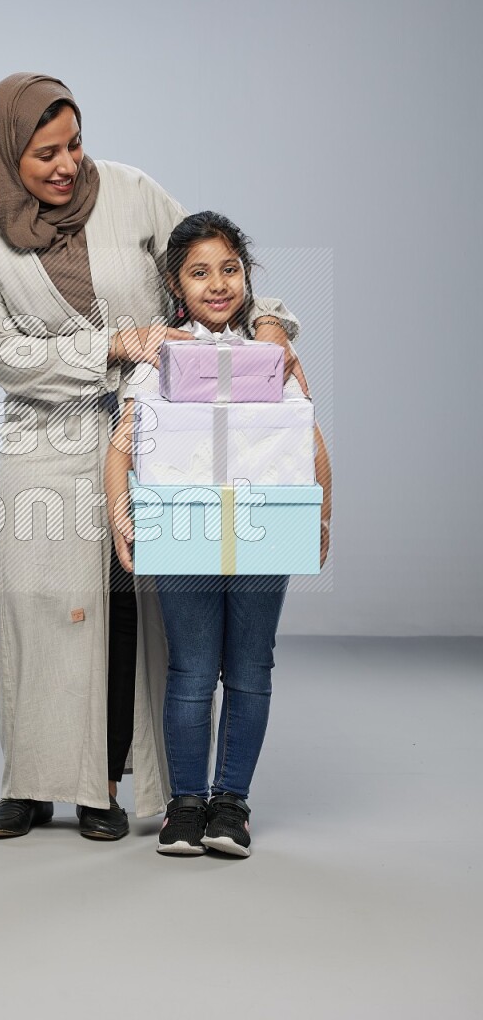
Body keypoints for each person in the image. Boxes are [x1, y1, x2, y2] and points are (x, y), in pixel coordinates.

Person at [0, 74, 303, 840]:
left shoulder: (132, 192)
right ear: (7, 154)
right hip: (45, 437)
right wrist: (110, 344)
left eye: (75, 143)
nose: (67, 164)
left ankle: (105, 786)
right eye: (45, 153)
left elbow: (211, 263)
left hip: (158, 432)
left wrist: (273, 322)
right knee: (37, 611)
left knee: (128, 611)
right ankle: (29, 783)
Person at [105, 210, 332, 856]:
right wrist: (121, 512)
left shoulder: (272, 355)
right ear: (177, 285)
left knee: (251, 668)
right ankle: (186, 806)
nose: (216, 283)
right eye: (199, 272)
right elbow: (123, 446)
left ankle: (231, 805)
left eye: (229, 269)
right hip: (185, 530)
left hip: (262, 526)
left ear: (247, 277)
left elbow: (305, 436)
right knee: (191, 670)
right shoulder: (161, 357)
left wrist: (321, 507)